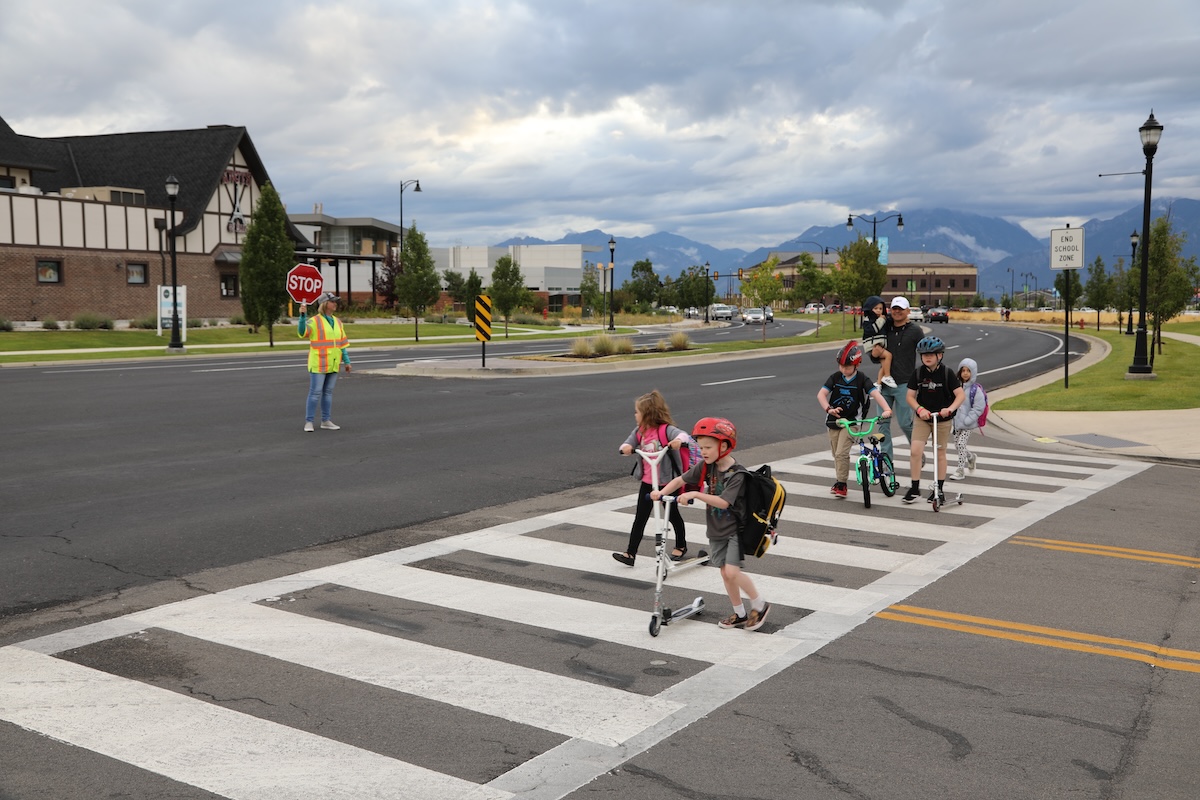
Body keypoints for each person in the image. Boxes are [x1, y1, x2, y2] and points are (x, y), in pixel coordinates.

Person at [651, 417, 770, 632]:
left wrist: (696, 493)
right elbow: (681, 480)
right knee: (725, 573)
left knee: (732, 572)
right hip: (716, 531)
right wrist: (661, 492)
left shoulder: (737, 475)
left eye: (708, 447)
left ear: (724, 446)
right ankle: (740, 613)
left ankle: (760, 604)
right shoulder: (707, 467)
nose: (703, 451)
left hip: (735, 531)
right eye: (700, 446)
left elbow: (724, 502)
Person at [612, 390, 690, 565]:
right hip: (648, 482)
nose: (635, 415)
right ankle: (630, 554)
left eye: (637, 412)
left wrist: (678, 441)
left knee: (672, 515)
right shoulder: (640, 431)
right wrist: (626, 448)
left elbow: (683, 435)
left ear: (647, 414)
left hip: (667, 482)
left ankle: (681, 545)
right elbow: (627, 443)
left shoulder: (665, 430)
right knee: (640, 518)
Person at [817, 341, 893, 498]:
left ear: (856, 365)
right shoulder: (836, 377)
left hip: (852, 422)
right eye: (842, 366)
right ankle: (839, 480)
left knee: (841, 453)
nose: (844, 369)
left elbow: (875, 394)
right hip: (833, 421)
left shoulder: (861, 379)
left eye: (848, 366)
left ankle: (842, 484)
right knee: (836, 454)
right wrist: (829, 409)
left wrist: (886, 409)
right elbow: (821, 395)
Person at [902, 336, 964, 505]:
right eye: (924, 354)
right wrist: (919, 409)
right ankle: (915, 488)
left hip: (942, 419)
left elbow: (960, 395)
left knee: (940, 452)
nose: (927, 357)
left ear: (940, 356)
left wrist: (950, 409)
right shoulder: (918, 373)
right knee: (915, 450)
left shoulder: (947, 373)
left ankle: (939, 489)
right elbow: (909, 396)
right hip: (923, 418)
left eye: (931, 354)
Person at [872, 296, 925, 466]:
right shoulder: (884, 328)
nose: (897, 311)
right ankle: (887, 463)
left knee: (905, 423)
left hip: (904, 383)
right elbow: (874, 354)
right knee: (882, 424)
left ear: (908, 311)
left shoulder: (915, 331)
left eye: (901, 309)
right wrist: (874, 354)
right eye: (894, 308)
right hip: (884, 384)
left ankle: (918, 451)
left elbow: (925, 353)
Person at [298, 292, 351, 432]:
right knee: (315, 393)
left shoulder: (338, 322)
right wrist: (302, 316)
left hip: (333, 363)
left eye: (335, 301)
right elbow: (303, 332)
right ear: (325, 304)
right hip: (318, 363)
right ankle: (308, 422)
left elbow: (342, 344)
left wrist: (347, 361)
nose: (335, 304)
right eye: (332, 301)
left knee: (328, 393)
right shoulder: (315, 321)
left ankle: (326, 420)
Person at [950, 357, 985, 481]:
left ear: (973, 373)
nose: (965, 373)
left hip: (969, 424)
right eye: (963, 370)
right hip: (957, 422)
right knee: (957, 445)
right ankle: (970, 457)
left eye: (968, 371)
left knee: (960, 444)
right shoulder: (956, 387)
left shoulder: (976, 390)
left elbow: (979, 407)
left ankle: (960, 470)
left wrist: (969, 420)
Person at [860, 295, 896, 390]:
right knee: (889, 356)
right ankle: (887, 377)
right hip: (872, 346)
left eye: (881, 308)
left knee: (884, 364)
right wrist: (881, 319)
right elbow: (873, 330)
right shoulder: (868, 320)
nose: (879, 310)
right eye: (876, 308)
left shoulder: (882, 319)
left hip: (879, 345)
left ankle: (878, 384)